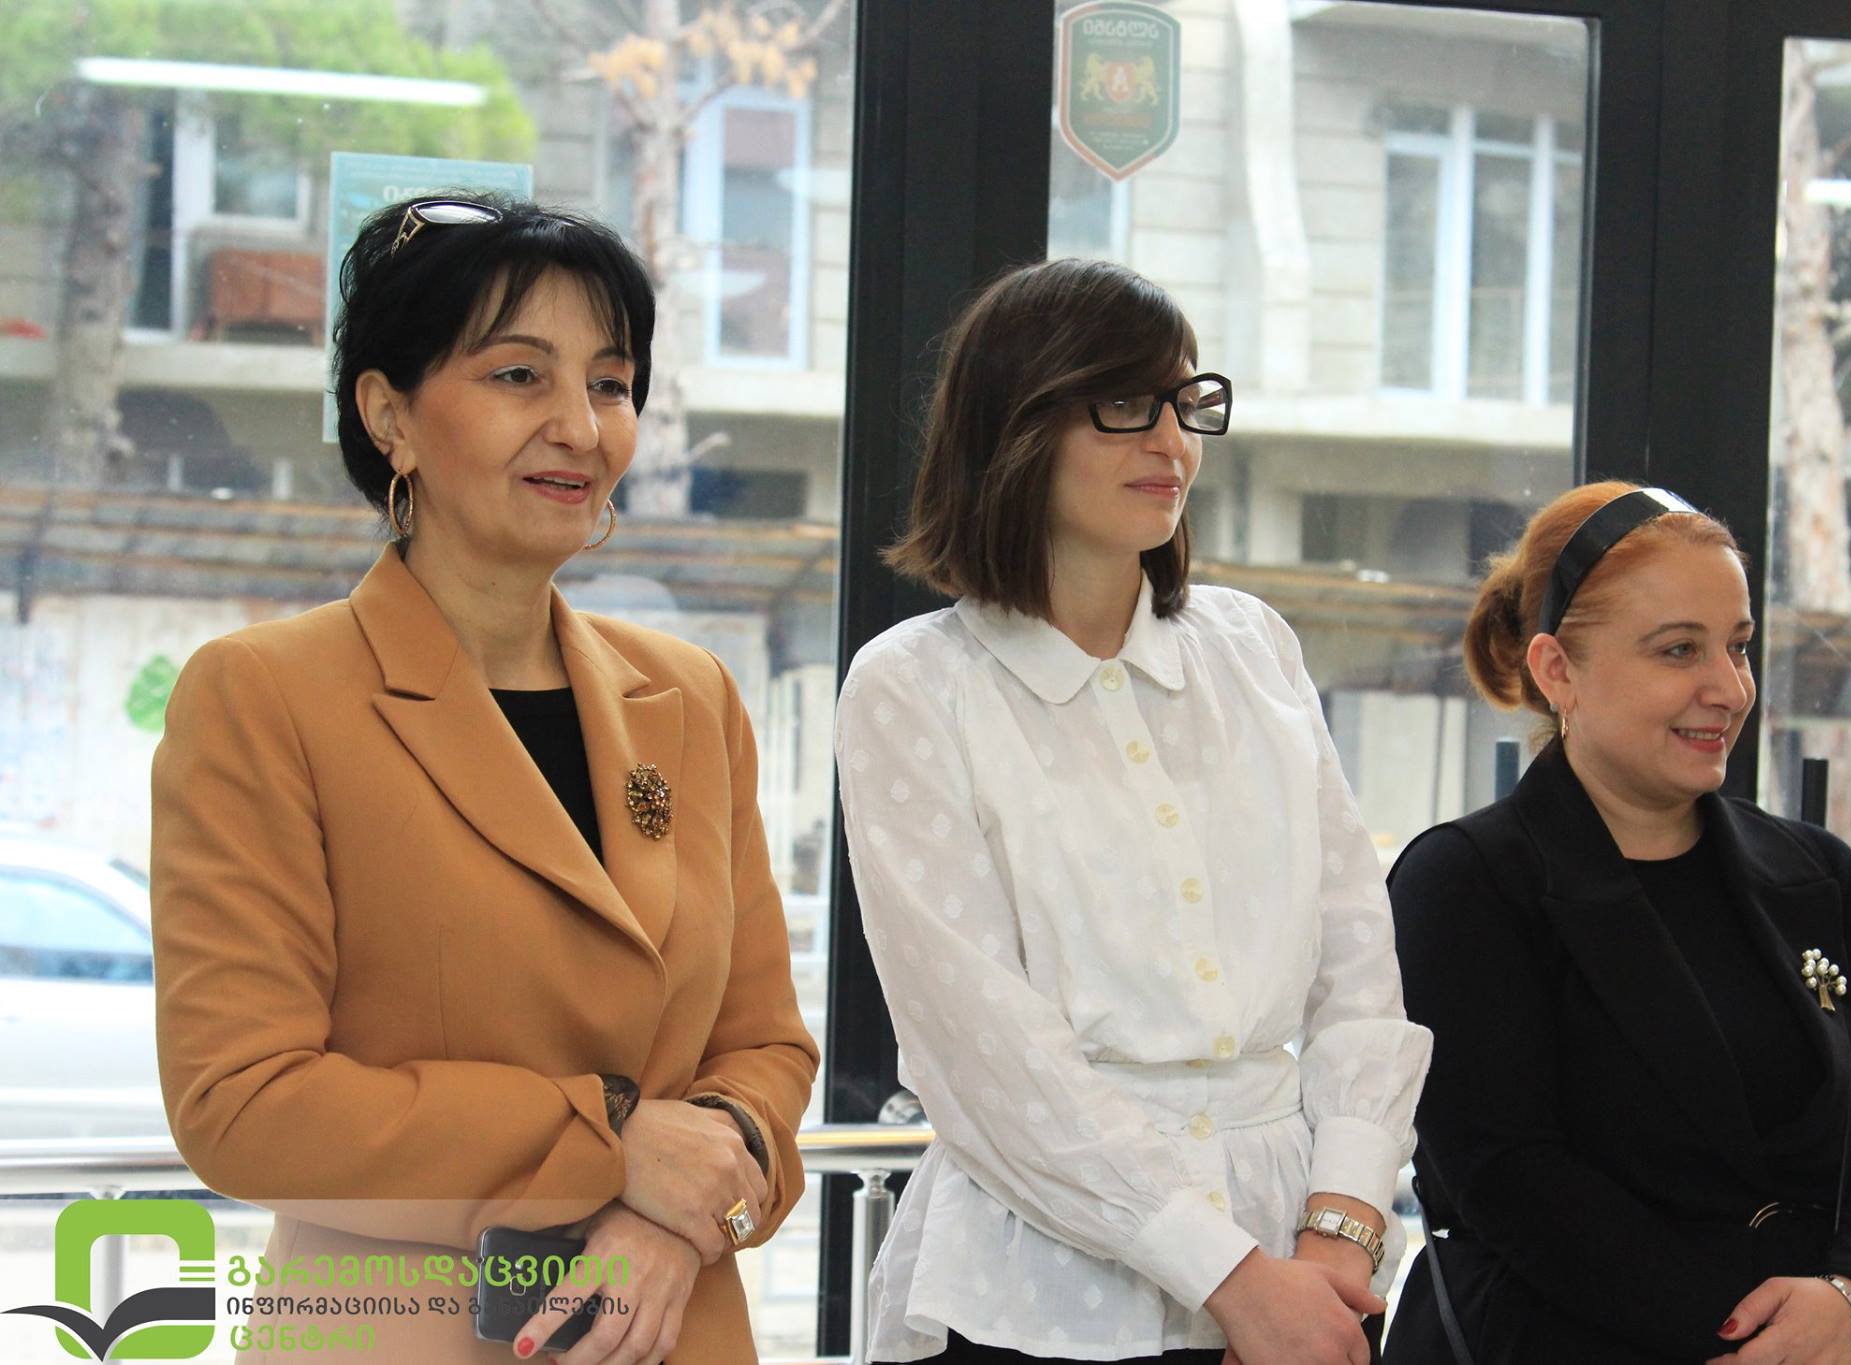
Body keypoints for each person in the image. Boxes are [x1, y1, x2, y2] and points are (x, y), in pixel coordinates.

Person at [151, 193, 819, 1364]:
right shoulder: (266, 694)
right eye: (519, 376)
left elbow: (765, 1048)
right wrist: (610, 1150)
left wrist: (676, 1216)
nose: (579, 426)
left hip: (674, 1327)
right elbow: (243, 1102)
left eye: (609, 383)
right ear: (389, 415)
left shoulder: (690, 697)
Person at [834, 257, 1432, 1365]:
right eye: (1123, 404)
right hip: (1037, 1285)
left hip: (1302, 1271)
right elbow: (985, 1054)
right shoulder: (914, 685)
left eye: (1186, 401)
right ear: (1013, 424)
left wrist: (1341, 1229)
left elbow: (1358, 969)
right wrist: (1229, 1275)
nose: (1171, 443)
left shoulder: (1253, 648)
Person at [1383, 482, 1851, 1365]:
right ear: (1557, 670)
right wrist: (1757, 1340)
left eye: (1739, 646)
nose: (1728, 687)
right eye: (1680, 649)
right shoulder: (1465, 883)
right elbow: (1511, 1178)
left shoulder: (1821, 876)